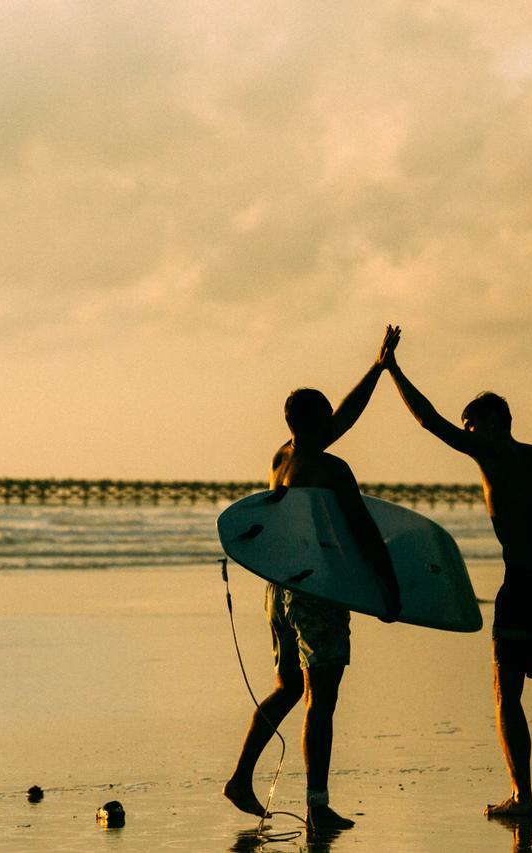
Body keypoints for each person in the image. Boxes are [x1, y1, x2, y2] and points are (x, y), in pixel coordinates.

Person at [380, 329, 532, 817]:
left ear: (496, 423)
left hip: (523, 583)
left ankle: (522, 796)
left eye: (473, 423)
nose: (468, 431)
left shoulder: (491, 452)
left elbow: (429, 421)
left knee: (506, 690)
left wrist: (392, 369)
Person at [224, 329, 402, 832]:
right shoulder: (332, 470)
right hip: (316, 593)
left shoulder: (283, 456)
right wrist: (388, 588)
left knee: (288, 688)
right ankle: (317, 804)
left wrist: (378, 367)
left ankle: (240, 778)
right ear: (316, 423)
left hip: (277, 590)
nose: (337, 425)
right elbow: (365, 533)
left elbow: (342, 416)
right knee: (320, 701)